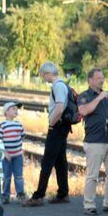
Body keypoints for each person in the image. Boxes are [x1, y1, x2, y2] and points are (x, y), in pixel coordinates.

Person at [78, 67, 108, 216]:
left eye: (102, 78)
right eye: (98, 78)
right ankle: (89, 205)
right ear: (90, 80)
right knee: (93, 175)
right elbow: (84, 111)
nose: (102, 80)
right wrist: (99, 98)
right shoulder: (84, 96)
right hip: (94, 141)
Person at [28, 62, 71, 205]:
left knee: (47, 161)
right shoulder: (62, 84)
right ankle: (63, 193)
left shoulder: (57, 86)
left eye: (42, 75)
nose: (42, 78)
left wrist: (51, 124)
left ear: (47, 73)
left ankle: (38, 196)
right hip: (63, 127)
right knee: (60, 161)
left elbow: (59, 107)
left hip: (57, 127)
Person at [0, 101, 26, 204]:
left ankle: (20, 193)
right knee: (6, 176)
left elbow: (22, 135)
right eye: (13, 109)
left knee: (19, 175)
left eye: (16, 109)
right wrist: (5, 152)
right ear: (6, 111)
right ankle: (6, 195)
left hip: (18, 155)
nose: (16, 110)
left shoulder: (18, 124)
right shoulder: (2, 125)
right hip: (6, 156)